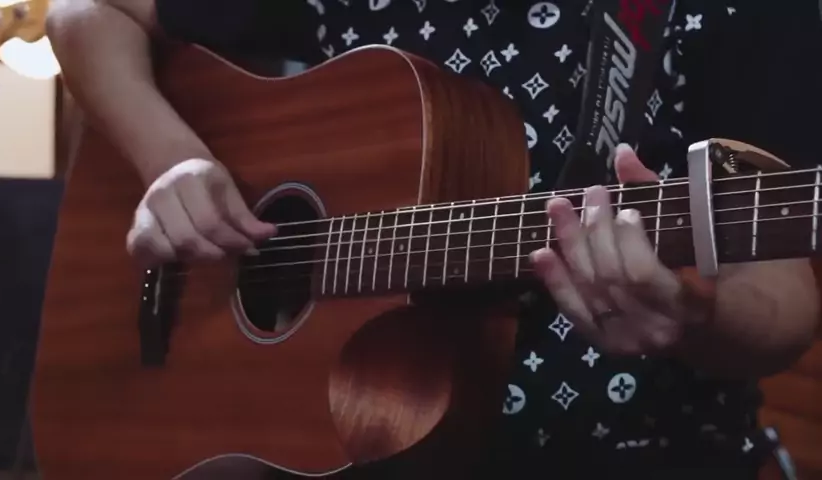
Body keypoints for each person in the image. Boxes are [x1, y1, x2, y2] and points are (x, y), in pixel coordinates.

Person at [45, 0, 822, 478]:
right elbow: (86, 12)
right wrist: (173, 159)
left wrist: (693, 318)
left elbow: (781, 296)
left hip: (636, 455)